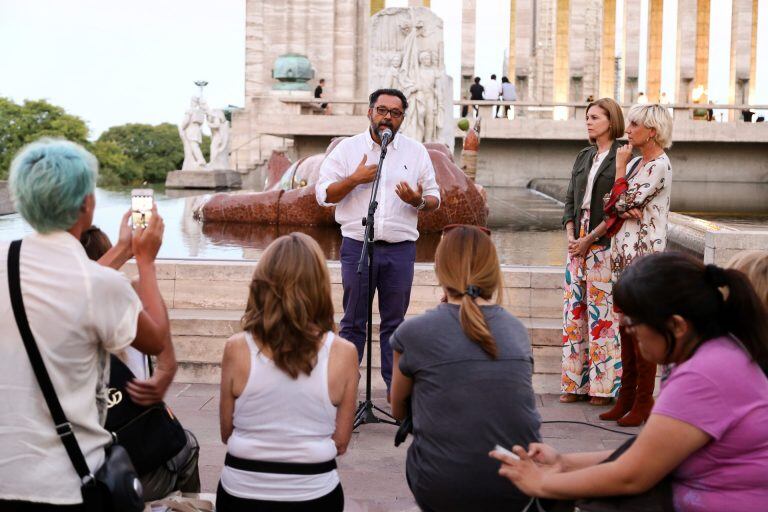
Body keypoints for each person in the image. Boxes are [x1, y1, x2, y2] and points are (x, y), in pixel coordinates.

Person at [491, 252, 768, 512]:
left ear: (677, 326)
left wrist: (542, 483)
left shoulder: (705, 375)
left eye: (633, 323)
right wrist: (563, 463)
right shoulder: (717, 355)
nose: (627, 331)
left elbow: (632, 476)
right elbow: (647, 454)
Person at [0, 138, 170, 510]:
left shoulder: (4, 261)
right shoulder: (99, 284)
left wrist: (124, 249)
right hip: (68, 482)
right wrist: (145, 260)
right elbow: (155, 339)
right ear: (86, 205)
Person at [390, 225, 541, 512]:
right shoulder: (516, 330)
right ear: (493, 271)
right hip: (518, 484)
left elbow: (398, 411)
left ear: (440, 271)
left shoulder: (414, 332)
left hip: (442, 487)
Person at [217, 233, 359, 512]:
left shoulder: (236, 348)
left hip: (242, 491)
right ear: (319, 286)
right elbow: (340, 441)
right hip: (314, 493)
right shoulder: (343, 352)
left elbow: (226, 432)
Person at [315, 88, 440, 395]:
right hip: (358, 247)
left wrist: (419, 201)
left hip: (400, 251)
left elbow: (436, 197)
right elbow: (324, 195)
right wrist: (354, 179)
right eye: (382, 110)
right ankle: (342, 396)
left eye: (395, 113)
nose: (387, 117)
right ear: (369, 112)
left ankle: (395, 398)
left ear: (402, 119)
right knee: (353, 324)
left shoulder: (416, 152)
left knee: (395, 326)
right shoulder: (347, 150)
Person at [79, 226, 201, 501]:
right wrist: (145, 266)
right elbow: (159, 343)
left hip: (74, 475)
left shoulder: (54, 322)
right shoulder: (128, 312)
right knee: (187, 445)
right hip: (127, 478)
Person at [585, 103, 674, 426]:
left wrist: (620, 176)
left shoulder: (658, 166)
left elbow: (621, 200)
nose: (629, 129)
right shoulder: (638, 162)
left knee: (641, 330)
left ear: (651, 130)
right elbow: (611, 203)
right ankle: (625, 397)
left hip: (644, 260)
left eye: (635, 124)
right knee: (624, 329)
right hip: (622, 258)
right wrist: (621, 202)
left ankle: (643, 401)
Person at [560, 98, 625, 406]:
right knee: (574, 313)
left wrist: (589, 239)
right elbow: (570, 199)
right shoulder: (583, 156)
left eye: (594, 117)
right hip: (578, 239)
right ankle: (573, 384)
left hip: (603, 240)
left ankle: (602, 388)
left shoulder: (623, 156)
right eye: (587, 117)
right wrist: (573, 236)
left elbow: (617, 208)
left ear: (610, 122)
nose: (588, 122)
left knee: (601, 318)